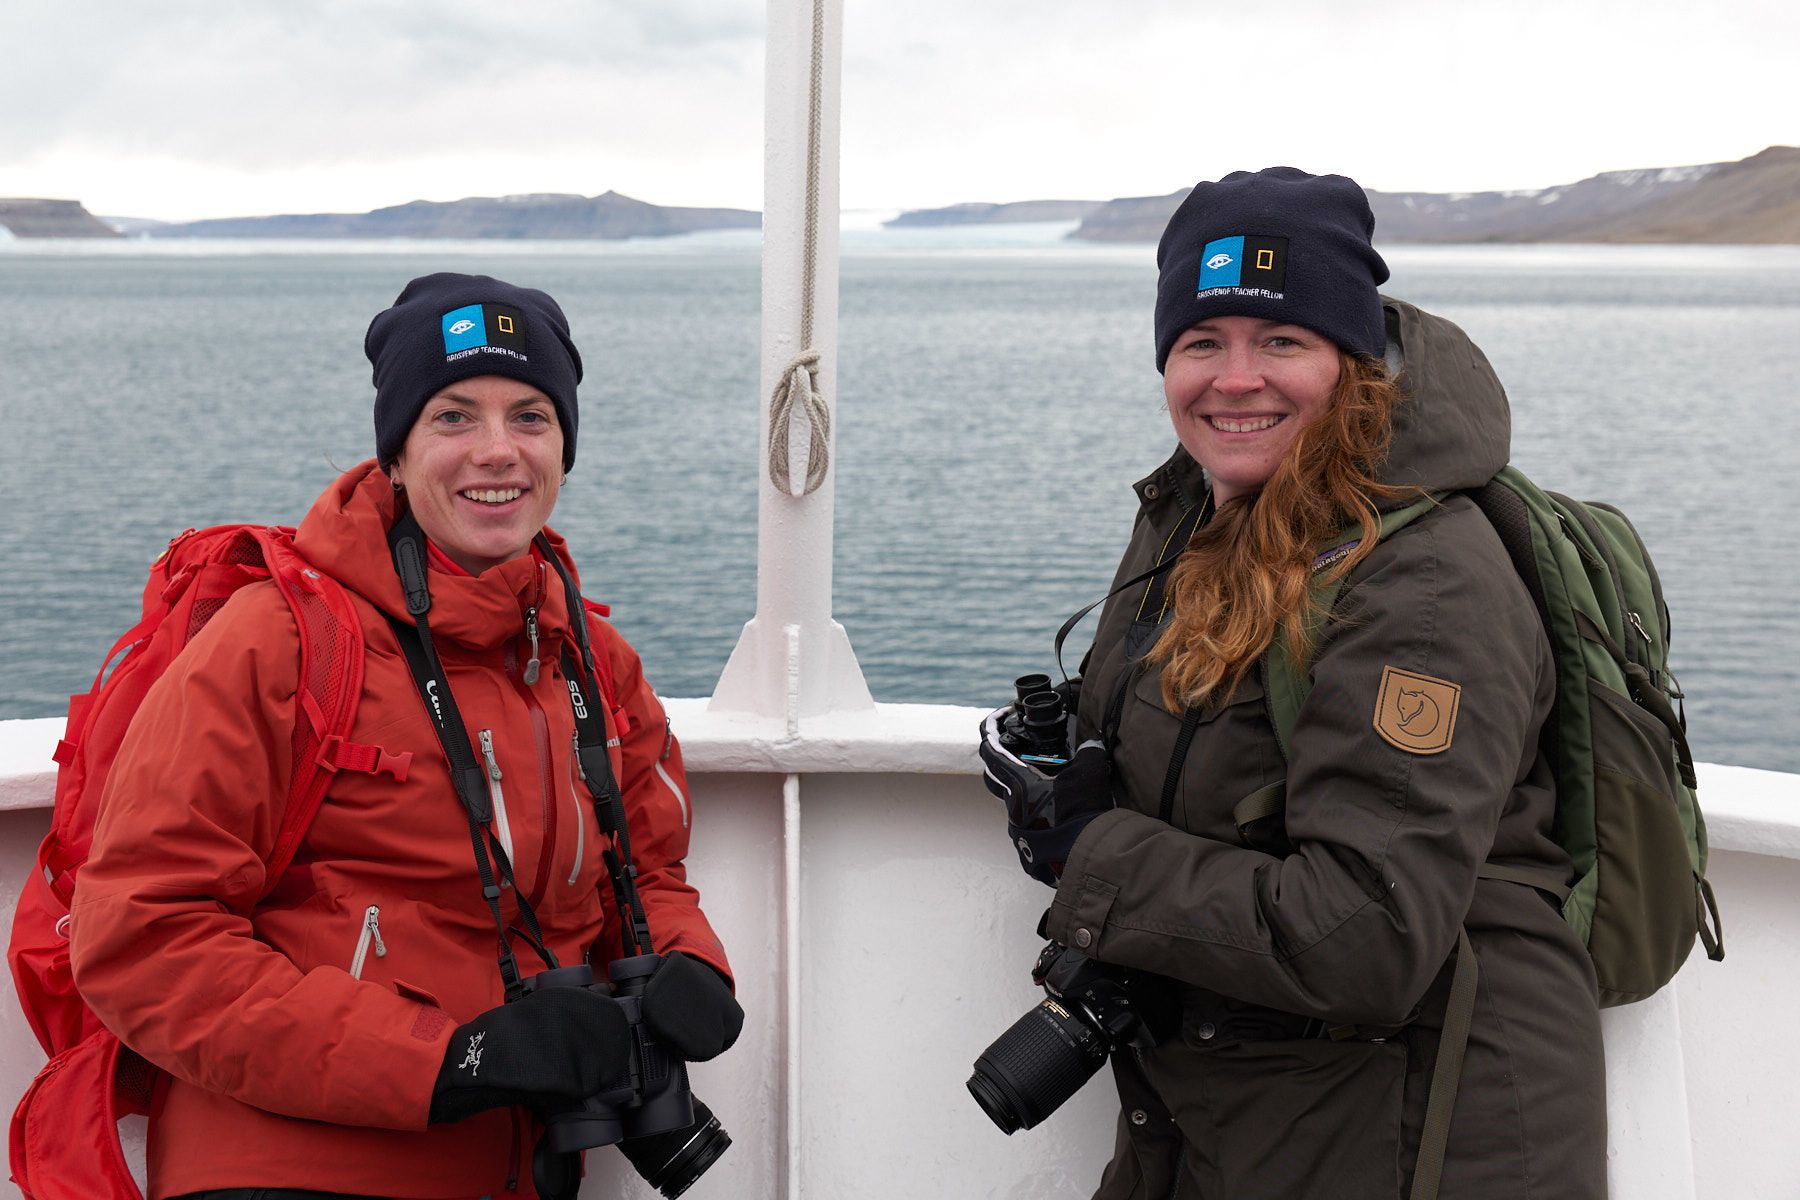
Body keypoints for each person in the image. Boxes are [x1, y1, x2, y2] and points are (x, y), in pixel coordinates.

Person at [980, 169, 1606, 1198]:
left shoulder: (1425, 585)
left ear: (1350, 362)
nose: (1235, 380)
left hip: (1421, 1133)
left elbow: (1367, 932)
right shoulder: (1201, 512)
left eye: (1280, 340)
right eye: (1201, 342)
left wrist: (1096, 856)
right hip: (1239, 1108)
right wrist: (1072, 760)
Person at [70, 273, 743, 1200]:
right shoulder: (279, 643)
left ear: (565, 447)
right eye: (453, 417)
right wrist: (449, 1059)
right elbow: (143, 939)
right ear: (395, 452)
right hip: (286, 1168)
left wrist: (692, 965)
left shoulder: (592, 661)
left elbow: (648, 874)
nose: (498, 451)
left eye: (531, 417)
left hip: (518, 1169)